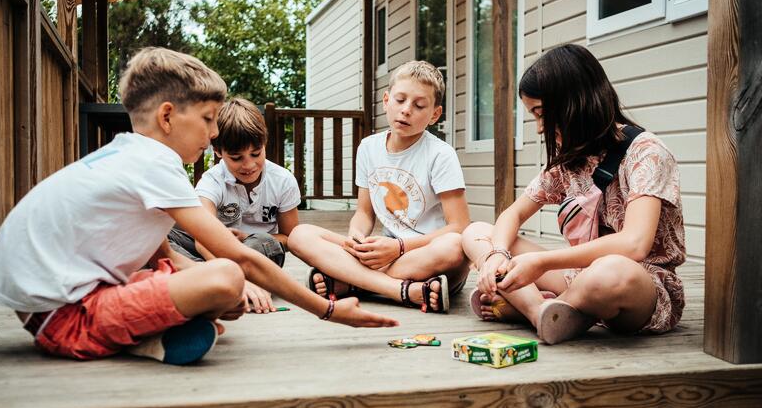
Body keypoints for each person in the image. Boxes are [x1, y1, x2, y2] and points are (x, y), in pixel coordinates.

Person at [0, 47, 397, 365]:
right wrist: (327, 310)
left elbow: (170, 255)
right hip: (66, 321)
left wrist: (215, 286)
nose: (213, 134)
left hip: (62, 306)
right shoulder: (157, 163)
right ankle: (146, 340)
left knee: (219, 288)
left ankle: (158, 333)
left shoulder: (129, 155)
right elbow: (237, 260)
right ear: (168, 116)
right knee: (227, 277)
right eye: (209, 118)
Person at [462, 44, 686, 344]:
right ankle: (543, 312)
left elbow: (634, 244)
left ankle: (533, 305)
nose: (541, 128)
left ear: (575, 102)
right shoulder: (570, 159)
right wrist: (496, 255)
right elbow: (513, 214)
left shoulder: (647, 153)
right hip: (576, 276)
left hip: (639, 286)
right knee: (477, 232)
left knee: (610, 271)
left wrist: (541, 263)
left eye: (542, 114)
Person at [288, 60, 470, 313]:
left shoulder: (441, 154)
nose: (406, 110)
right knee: (300, 234)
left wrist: (400, 247)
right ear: (386, 100)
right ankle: (403, 291)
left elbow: (459, 227)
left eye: (419, 105)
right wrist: (356, 238)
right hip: (383, 251)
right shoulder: (369, 148)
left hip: (425, 255)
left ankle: (352, 282)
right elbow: (364, 213)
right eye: (400, 100)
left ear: (434, 115)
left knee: (454, 249)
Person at [167, 97, 300, 314]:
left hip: (256, 253)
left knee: (266, 242)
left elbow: (289, 237)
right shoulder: (212, 181)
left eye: (256, 154)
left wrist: (245, 240)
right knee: (167, 235)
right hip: (210, 252)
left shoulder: (283, 180)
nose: (249, 165)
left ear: (264, 144)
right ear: (219, 152)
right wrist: (221, 257)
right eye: (237, 158)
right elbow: (202, 238)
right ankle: (215, 280)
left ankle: (197, 281)